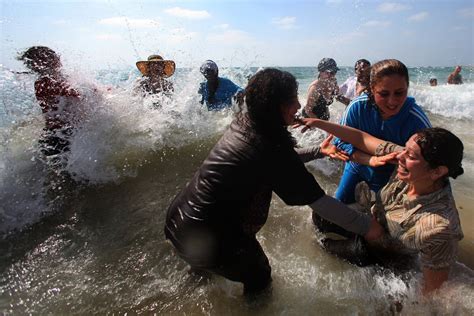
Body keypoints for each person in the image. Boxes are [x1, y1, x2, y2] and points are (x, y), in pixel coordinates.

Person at [165, 68, 383, 296]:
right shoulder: (270, 147)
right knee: (259, 276)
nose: (299, 106)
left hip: (180, 223)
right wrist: (368, 227)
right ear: (274, 106)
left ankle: (195, 278)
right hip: (209, 232)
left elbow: (273, 163)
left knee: (205, 267)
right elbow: (319, 202)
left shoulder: (247, 123)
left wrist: (319, 150)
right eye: (292, 100)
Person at [296, 117, 464, 296]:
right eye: (405, 149)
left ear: (437, 171)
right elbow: (361, 138)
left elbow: (432, 293)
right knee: (320, 216)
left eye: (410, 156)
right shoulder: (412, 161)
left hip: (383, 253)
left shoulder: (438, 228)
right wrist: (317, 122)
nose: (400, 156)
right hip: (372, 223)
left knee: (324, 246)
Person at [332, 59, 432, 205]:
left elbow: (428, 163)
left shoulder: (416, 120)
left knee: (383, 221)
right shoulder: (357, 107)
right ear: (372, 89)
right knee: (338, 209)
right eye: (384, 94)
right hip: (357, 165)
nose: (392, 101)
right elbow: (340, 141)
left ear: (407, 88)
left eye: (399, 93)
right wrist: (368, 160)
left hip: (393, 175)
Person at [17, 46, 80, 159]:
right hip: (61, 136)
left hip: (58, 134)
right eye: (54, 57)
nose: (58, 59)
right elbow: (78, 95)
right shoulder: (45, 83)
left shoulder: (55, 80)